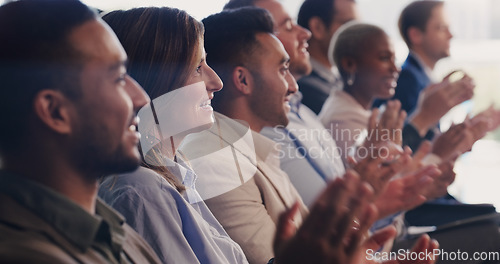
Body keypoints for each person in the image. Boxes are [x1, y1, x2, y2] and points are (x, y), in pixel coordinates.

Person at [0, 1, 161, 263]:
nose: (141, 97)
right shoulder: (28, 254)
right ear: (55, 112)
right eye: (119, 78)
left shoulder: (113, 231)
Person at [96, 7, 250, 264]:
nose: (216, 82)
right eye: (198, 68)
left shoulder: (174, 169)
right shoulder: (139, 190)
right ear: (152, 82)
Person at [297, 0, 358, 114]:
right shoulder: (304, 87)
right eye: (350, 26)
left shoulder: (341, 78)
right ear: (318, 28)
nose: (360, 36)